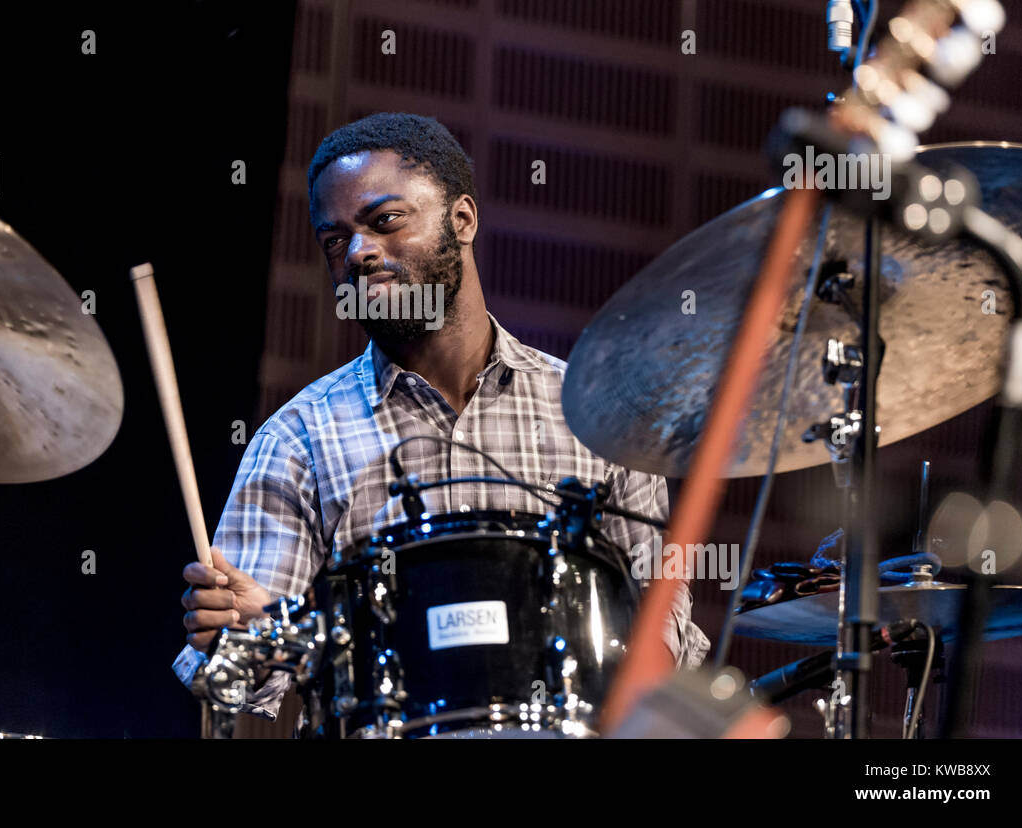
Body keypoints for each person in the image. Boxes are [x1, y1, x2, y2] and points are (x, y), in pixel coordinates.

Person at [175, 112, 709, 720]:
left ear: (462, 219)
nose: (358, 252)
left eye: (385, 221)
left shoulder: (598, 415)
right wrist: (246, 635)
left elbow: (663, 628)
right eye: (334, 240)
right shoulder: (297, 439)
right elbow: (234, 683)